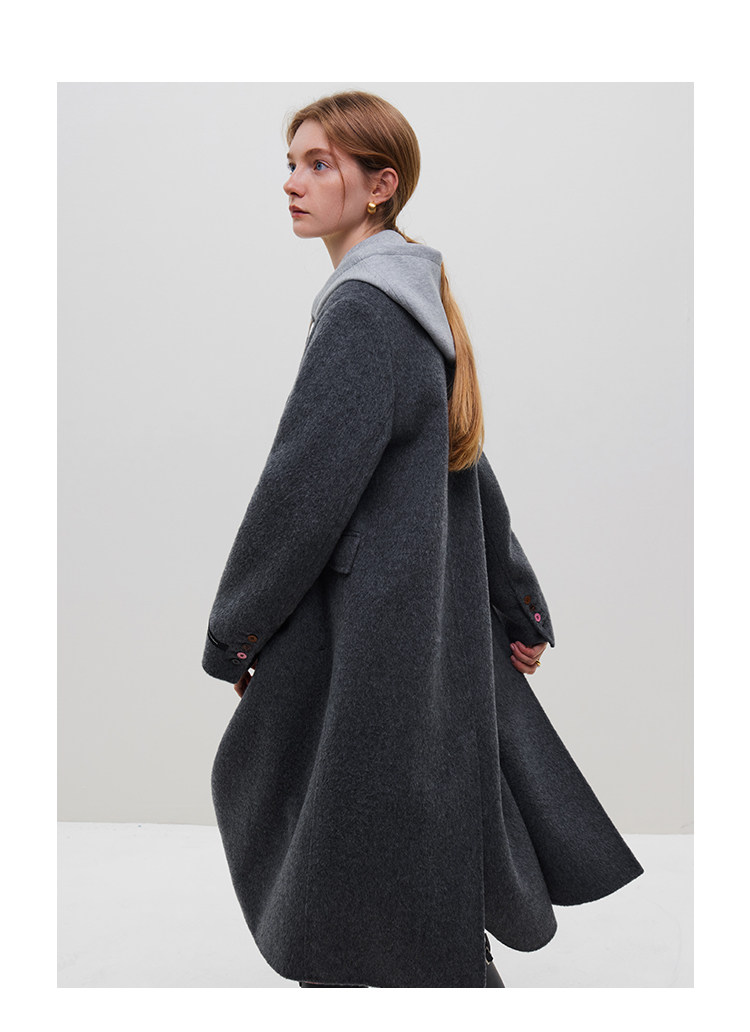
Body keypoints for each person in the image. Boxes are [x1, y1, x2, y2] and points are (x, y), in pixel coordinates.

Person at [202, 89, 644, 989]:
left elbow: (299, 493)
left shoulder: (364, 312)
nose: (292, 182)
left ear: (379, 186)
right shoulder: (409, 297)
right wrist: (517, 603)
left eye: (318, 164)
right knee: (401, 834)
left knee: (331, 826)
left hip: (367, 635)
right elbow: (467, 462)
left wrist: (235, 633)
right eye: (291, 163)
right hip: (419, 628)